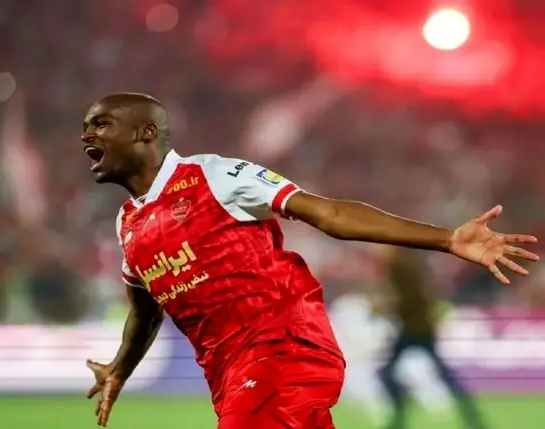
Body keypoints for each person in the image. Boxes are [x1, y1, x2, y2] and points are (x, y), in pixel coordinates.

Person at [81, 92, 538, 428]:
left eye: (101, 124)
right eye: (87, 126)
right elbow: (145, 310)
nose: (87, 134)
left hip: (283, 350)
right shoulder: (128, 224)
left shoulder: (215, 176)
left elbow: (328, 214)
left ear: (145, 132)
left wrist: (447, 238)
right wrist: (120, 367)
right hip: (229, 374)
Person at [375, 247, 487, 429]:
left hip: (415, 330)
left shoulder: (403, 269)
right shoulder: (410, 269)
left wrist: (387, 306)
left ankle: (398, 418)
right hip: (419, 330)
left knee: (389, 374)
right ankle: (473, 419)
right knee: (444, 376)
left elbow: (409, 299)